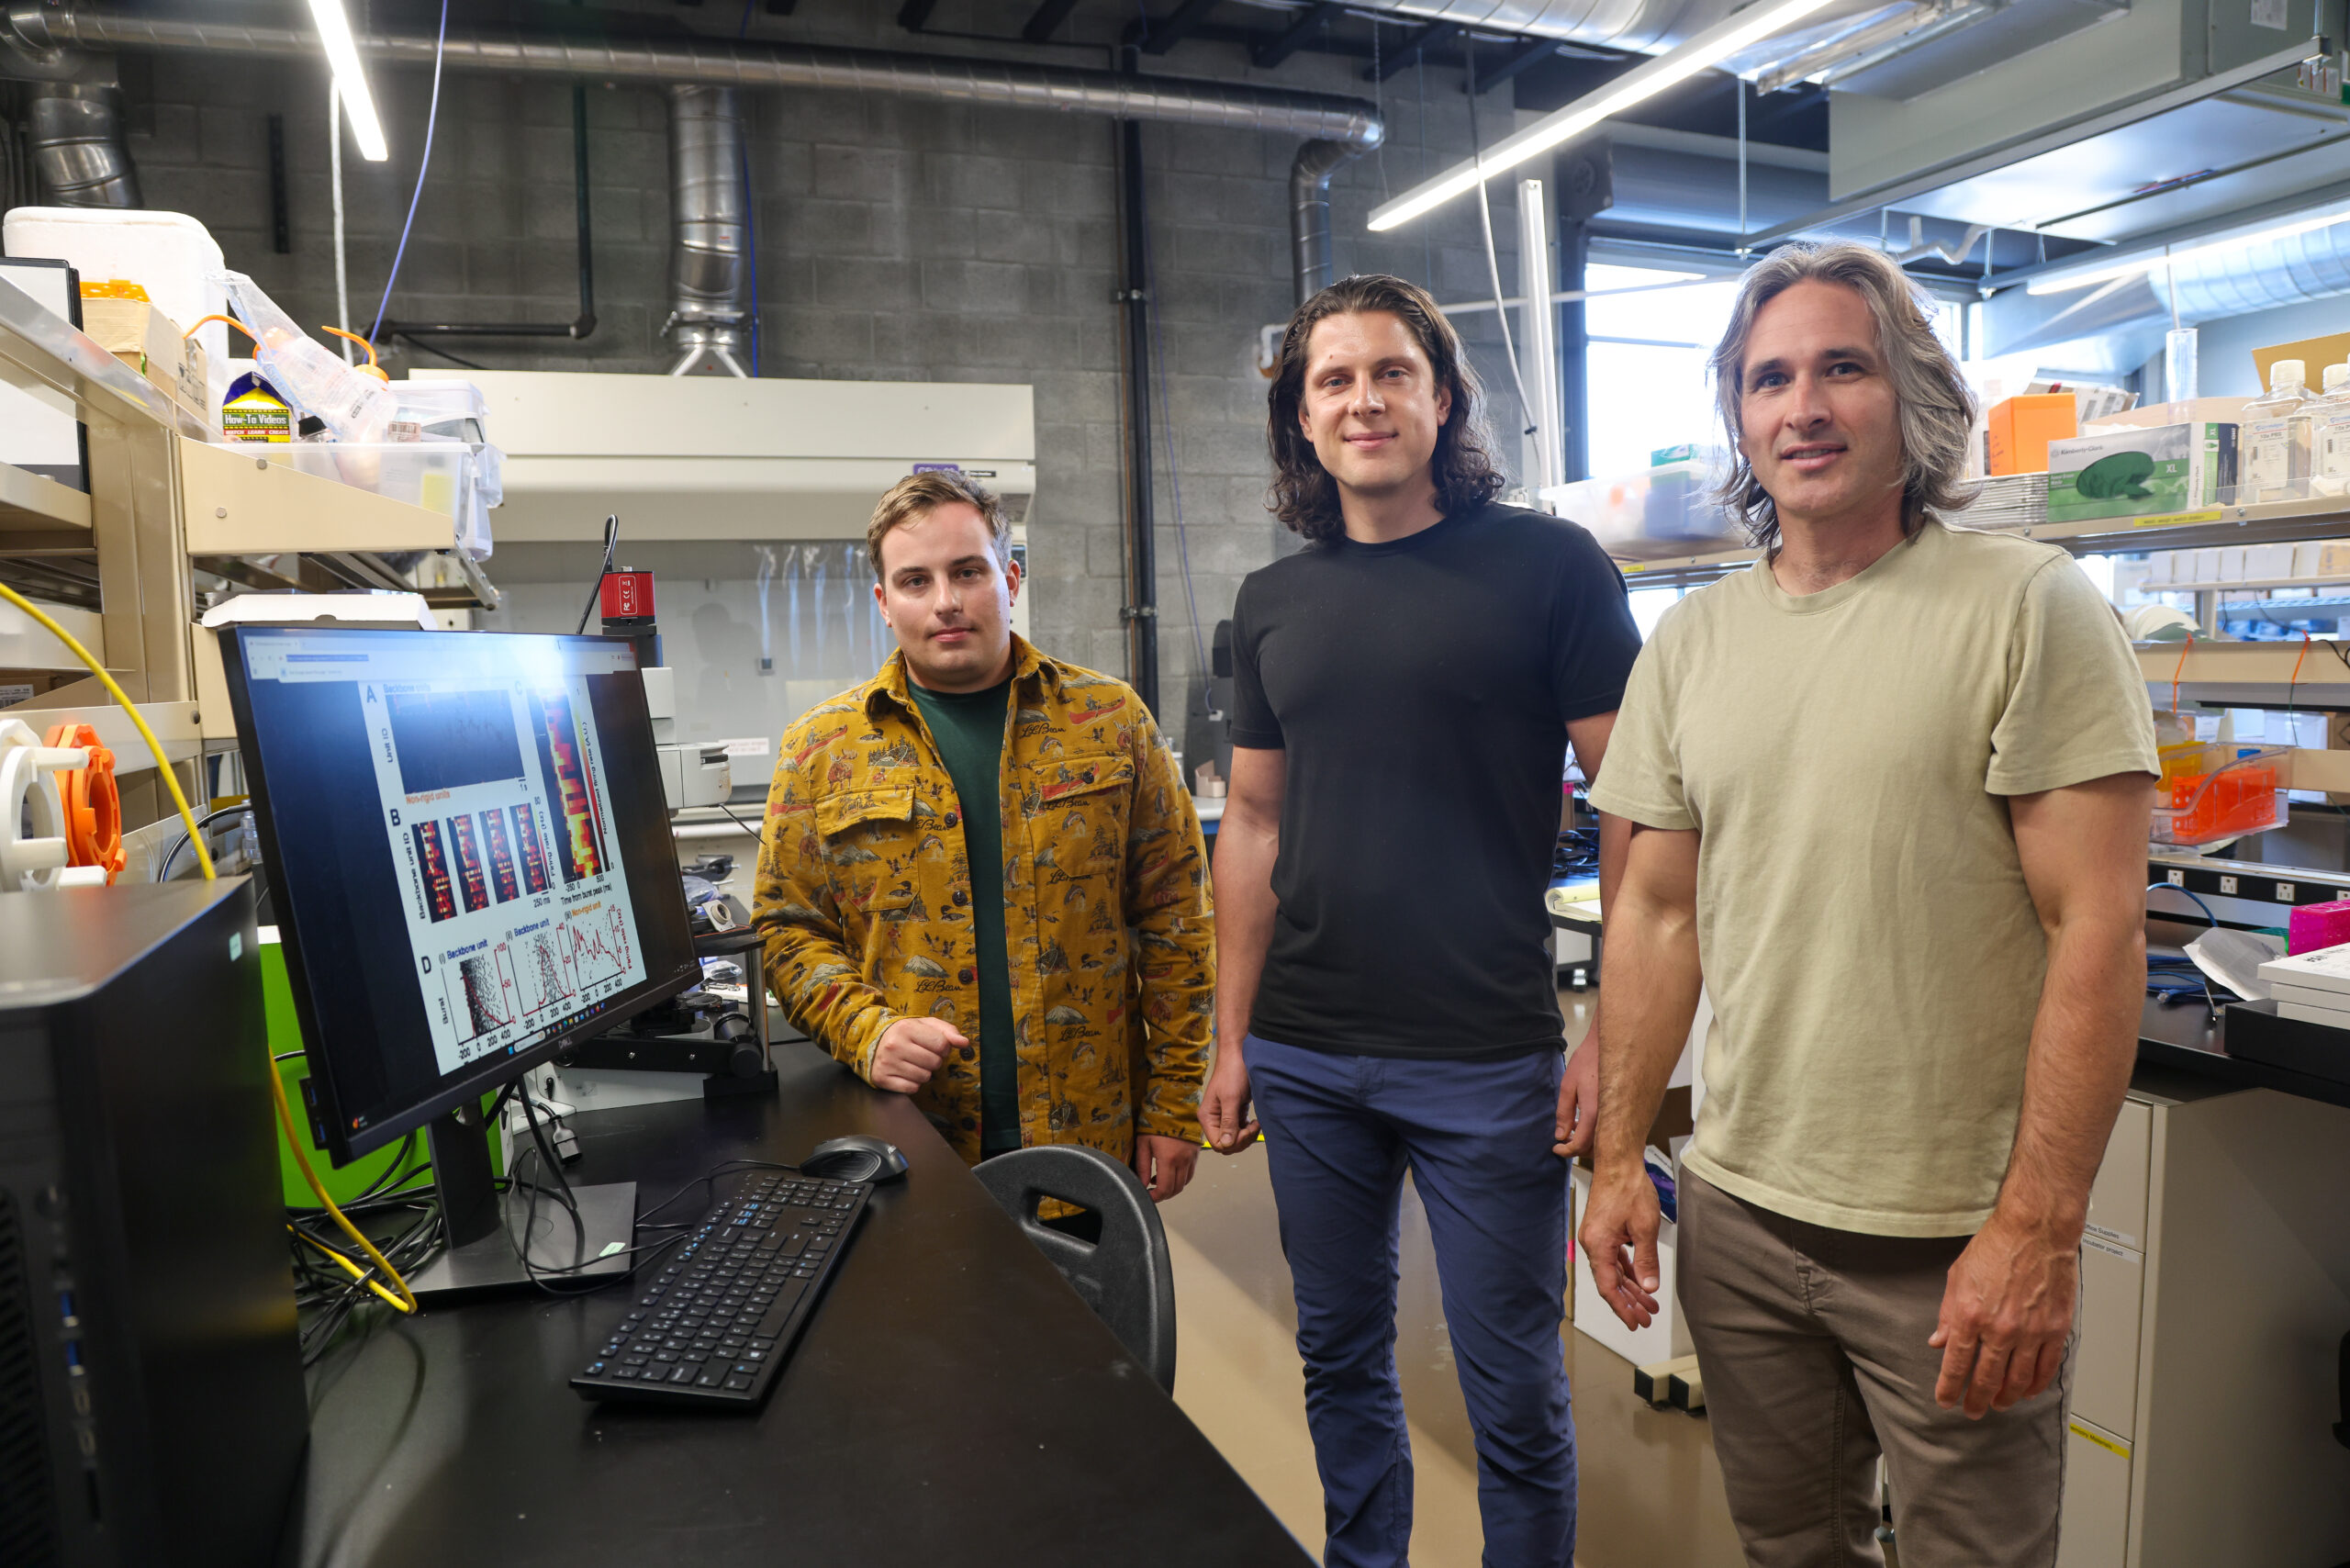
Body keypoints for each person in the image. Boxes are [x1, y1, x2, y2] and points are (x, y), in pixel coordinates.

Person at [1579, 241, 2158, 1563]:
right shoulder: (1693, 643)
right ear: (1739, 416)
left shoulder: (2029, 608)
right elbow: (1658, 915)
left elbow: (2099, 929)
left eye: (1844, 366)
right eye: (1769, 378)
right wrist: (1621, 1160)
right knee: (1788, 1551)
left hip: (1949, 1237)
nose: (1804, 406)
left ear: (1913, 395)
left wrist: (2038, 1228)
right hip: (1737, 1212)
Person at [1200, 274, 1643, 1568]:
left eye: (1391, 371)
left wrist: (1615, 1027)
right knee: (1339, 1360)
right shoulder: (1271, 601)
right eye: (1332, 379)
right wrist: (1233, 1038)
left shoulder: (1548, 564)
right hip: (1309, 1049)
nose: (1364, 399)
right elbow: (1257, 830)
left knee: (1513, 1387)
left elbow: (1646, 813)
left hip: (1487, 1055)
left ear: (1442, 397)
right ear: (1302, 417)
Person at [753, 470, 1213, 1199]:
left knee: (1088, 1317)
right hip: (912, 1145)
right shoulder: (823, 749)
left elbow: (1178, 919)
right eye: (914, 581)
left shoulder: (1111, 721)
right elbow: (786, 930)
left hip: (1088, 1136)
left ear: (1011, 578)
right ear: (883, 601)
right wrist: (864, 1031)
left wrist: (1174, 1104)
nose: (945, 602)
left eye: (968, 571)